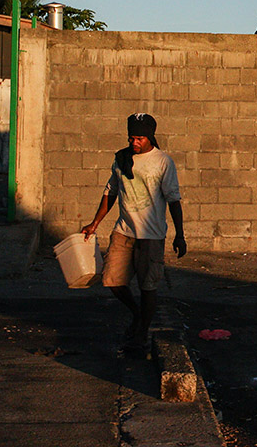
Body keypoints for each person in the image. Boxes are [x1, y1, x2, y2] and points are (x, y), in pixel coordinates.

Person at [81, 113, 186, 353]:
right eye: (131, 138)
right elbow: (110, 192)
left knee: (147, 286)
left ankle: (141, 333)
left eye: (139, 138)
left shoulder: (163, 162)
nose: (134, 143)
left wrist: (180, 235)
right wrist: (94, 223)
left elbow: (174, 200)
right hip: (124, 231)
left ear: (150, 138)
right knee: (112, 279)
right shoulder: (122, 159)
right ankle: (138, 315)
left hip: (151, 235)